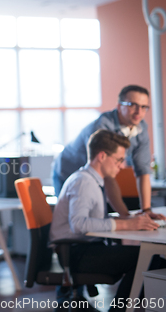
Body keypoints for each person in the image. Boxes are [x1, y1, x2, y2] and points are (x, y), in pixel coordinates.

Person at [50, 129, 161, 311]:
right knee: (149, 260)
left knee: (151, 260)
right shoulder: (83, 182)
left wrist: (131, 219)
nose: (121, 166)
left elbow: (92, 220)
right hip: (76, 254)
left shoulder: (90, 180)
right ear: (102, 156)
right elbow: (78, 224)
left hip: (82, 250)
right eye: (118, 160)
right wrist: (126, 223)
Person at [52, 84, 165, 220]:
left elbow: (143, 172)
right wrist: (127, 217)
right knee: (74, 221)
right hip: (68, 172)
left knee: (98, 218)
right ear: (119, 106)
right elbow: (107, 175)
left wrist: (146, 210)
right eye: (132, 105)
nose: (138, 112)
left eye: (143, 107)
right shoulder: (102, 127)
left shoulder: (140, 129)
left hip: (97, 177)